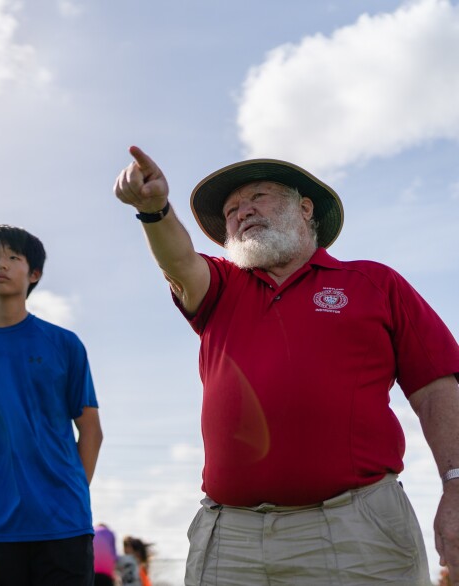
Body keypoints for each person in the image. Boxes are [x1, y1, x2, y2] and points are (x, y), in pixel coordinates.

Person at [113, 147, 459, 585]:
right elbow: (179, 261)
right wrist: (153, 210)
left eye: (259, 196)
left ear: (305, 208)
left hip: (357, 531)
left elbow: (436, 389)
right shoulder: (219, 288)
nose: (243, 212)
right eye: (233, 209)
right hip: (232, 540)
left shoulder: (374, 282)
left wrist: (456, 486)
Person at [0, 224, 104, 586]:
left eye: (14, 257)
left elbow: (90, 429)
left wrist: (70, 492)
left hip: (64, 524)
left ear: (34, 273)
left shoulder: (64, 344)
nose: (2, 264)